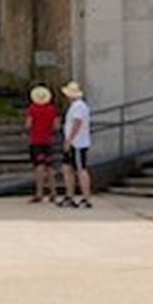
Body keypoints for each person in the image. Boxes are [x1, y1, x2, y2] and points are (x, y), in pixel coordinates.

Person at [59, 80, 93, 208]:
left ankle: (86, 197)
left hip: (77, 143)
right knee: (67, 168)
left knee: (80, 169)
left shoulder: (79, 106)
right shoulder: (76, 106)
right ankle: (70, 196)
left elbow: (77, 123)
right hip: (74, 142)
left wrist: (69, 140)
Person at [25, 84, 60, 204]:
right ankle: (53, 192)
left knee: (39, 167)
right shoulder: (52, 109)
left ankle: (39, 192)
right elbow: (56, 126)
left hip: (36, 140)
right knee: (50, 167)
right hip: (48, 140)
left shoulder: (32, 109)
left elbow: (28, 125)